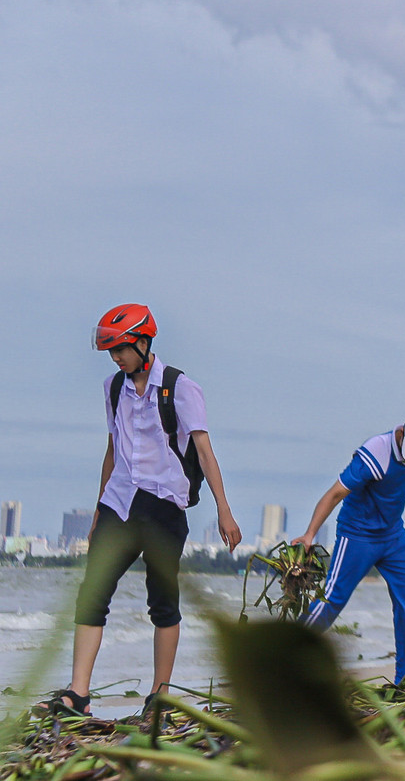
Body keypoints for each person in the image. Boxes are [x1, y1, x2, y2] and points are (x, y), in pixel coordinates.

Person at [40, 304, 242, 718]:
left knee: (162, 602)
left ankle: (159, 696)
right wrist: (98, 511)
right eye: (110, 352)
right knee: (92, 594)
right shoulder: (113, 387)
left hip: (164, 505)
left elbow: (204, 451)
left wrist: (224, 510)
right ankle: (78, 695)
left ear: (144, 343)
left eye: (120, 350)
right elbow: (113, 449)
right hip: (119, 502)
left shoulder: (181, 388)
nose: (116, 358)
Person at [292, 414, 405, 687]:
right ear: (402, 433)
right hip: (358, 534)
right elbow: (336, 493)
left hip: (393, 535)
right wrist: (310, 533)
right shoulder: (376, 452)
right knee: (333, 598)